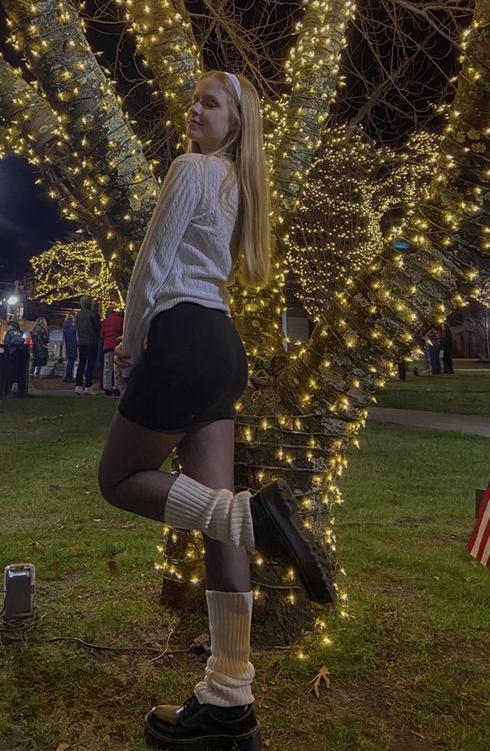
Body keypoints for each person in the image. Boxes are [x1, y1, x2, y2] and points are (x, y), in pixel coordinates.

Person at [98, 71, 336, 751]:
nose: (193, 108)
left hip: (180, 338)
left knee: (118, 481)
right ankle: (230, 698)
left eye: (209, 102)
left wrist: (132, 342)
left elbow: (151, 264)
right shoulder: (241, 187)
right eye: (192, 99)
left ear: (235, 122)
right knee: (213, 517)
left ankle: (251, 515)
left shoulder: (191, 169)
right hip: (221, 345)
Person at [75, 295, 101, 394]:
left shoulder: (79, 315)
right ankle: (88, 385)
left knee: (81, 362)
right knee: (90, 363)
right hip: (92, 341)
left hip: (81, 341)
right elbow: (97, 328)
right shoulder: (93, 314)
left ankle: (78, 385)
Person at [100, 306, 124, 396]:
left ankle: (107, 387)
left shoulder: (106, 321)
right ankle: (116, 387)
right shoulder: (120, 319)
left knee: (107, 367)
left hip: (107, 345)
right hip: (117, 345)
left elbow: (102, 334)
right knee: (117, 368)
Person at [62, 312, 77, 383]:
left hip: (68, 344)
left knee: (70, 360)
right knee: (72, 360)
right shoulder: (73, 325)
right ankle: (69, 375)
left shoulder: (65, 325)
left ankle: (68, 375)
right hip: (73, 344)